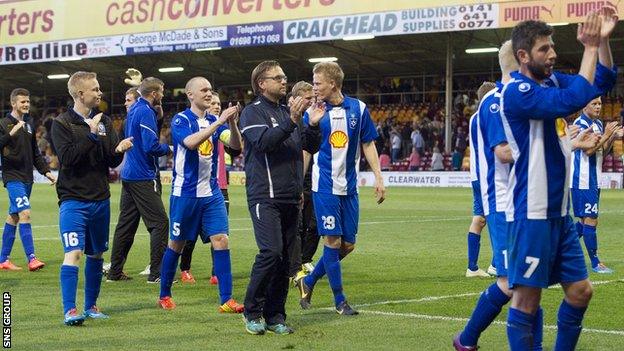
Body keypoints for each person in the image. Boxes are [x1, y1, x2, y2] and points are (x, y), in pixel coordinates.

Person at [501, 11, 617, 350]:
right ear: (523, 56)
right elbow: (571, 99)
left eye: (552, 47)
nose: (552, 54)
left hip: (559, 212)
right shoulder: (517, 91)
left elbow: (602, 82)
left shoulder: (550, 81)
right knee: (526, 301)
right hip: (531, 211)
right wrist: (590, 47)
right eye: (543, 49)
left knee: (581, 292)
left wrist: (604, 42)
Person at [454, 42, 532, 350]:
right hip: (500, 199)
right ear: (523, 59)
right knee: (511, 283)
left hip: (521, 200)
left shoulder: (518, 100)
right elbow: (502, 152)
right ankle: (467, 337)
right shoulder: (495, 103)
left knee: (527, 282)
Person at [296, 61, 385, 316]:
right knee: (333, 241)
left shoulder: (358, 108)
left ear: (333, 83)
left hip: (349, 187)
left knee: (348, 245)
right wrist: (299, 186)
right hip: (324, 186)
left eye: (317, 83)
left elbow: (368, 143)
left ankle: (309, 281)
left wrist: (379, 177)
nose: (314, 88)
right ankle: (340, 301)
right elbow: (305, 149)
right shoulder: (312, 112)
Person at [240, 60, 317, 335]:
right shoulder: (251, 113)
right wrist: (292, 122)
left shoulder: (289, 112)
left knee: (286, 260)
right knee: (270, 253)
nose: (284, 81)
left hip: (290, 198)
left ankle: (275, 316)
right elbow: (264, 143)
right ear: (262, 83)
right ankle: (252, 311)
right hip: (265, 196)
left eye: (284, 77)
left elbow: (310, 145)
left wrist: (314, 126)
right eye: (278, 77)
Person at [51, 71, 134, 326]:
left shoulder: (106, 122)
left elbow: (110, 159)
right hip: (73, 200)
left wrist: (118, 151)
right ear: (80, 94)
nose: (100, 93)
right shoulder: (62, 123)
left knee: (96, 255)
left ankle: (91, 306)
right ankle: (70, 310)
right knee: (74, 253)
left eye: (99, 89)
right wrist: (89, 134)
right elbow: (67, 159)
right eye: (95, 89)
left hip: (100, 199)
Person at [158, 77, 244, 314]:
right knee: (177, 243)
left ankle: (226, 300)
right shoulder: (181, 120)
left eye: (210, 90)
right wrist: (219, 124)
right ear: (190, 94)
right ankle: (164, 294)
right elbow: (190, 143)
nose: (208, 94)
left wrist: (233, 124)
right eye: (203, 90)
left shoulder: (215, 121)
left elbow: (236, 146)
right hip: (185, 194)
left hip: (211, 192)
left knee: (221, 240)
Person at [107, 77, 170, 283]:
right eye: (161, 91)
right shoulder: (144, 111)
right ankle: (157, 274)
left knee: (126, 225)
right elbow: (151, 146)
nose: (163, 94)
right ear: (154, 94)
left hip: (129, 175)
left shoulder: (133, 110)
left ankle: (115, 272)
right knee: (160, 223)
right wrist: (171, 148)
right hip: (144, 175)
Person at [178, 91, 242, 285]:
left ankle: (217, 272)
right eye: (212, 103)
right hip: (195, 189)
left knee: (221, 233)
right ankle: (185, 269)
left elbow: (237, 147)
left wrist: (232, 123)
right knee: (190, 234)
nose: (215, 106)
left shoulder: (221, 130)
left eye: (218, 104)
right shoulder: (197, 126)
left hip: (219, 188)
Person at [0, 88, 56, 271]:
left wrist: (46, 172)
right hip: (12, 176)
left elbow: (35, 154)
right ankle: (32, 259)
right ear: (13, 103)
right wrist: (11, 133)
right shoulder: (3, 123)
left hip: (27, 177)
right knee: (25, 213)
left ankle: (3, 260)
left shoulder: (29, 125)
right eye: (22, 102)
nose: (26, 105)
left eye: (28, 102)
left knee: (14, 216)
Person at [570, 97, 622, 274]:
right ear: (585, 105)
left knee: (585, 220)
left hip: (594, 179)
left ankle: (558, 251)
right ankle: (595, 262)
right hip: (582, 179)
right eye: (594, 103)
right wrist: (608, 134)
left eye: (600, 103)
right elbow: (589, 150)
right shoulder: (581, 124)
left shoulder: (598, 124)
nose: (599, 107)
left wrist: (612, 136)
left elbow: (602, 150)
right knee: (591, 219)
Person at [287, 81, 318, 282]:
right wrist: (298, 181)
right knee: (297, 225)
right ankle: (294, 266)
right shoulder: (295, 119)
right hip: (300, 177)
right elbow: (304, 151)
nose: (312, 101)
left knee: (314, 224)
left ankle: (305, 259)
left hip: (317, 178)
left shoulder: (317, 116)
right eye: (308, 98)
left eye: (313, 98)